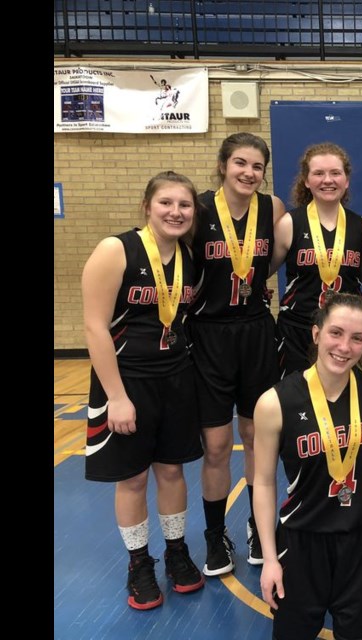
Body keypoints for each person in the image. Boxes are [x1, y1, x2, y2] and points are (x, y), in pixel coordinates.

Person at [82, 171, 205, 610]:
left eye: (184, 205)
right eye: (166, 203)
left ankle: (176, 552)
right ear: (147, 206)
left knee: (172, 472)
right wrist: (115, 396)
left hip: (175, 376)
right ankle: (138, 562)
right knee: (133, 478)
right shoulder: (117, 249)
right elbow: (95, 327)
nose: (176, 212)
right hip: (125, 379)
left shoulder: (189, 257)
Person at [253, 293, 362, 640]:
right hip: (302, 544)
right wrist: (269, 559)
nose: (345, 346)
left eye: (357, 338)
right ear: (316, 334)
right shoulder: (274, 402)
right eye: (336, 333)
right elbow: (264, 483)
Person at [189, 132, 286, 575]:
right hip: (209, 334)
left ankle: (256, 524)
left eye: (257, 167)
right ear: (223, 165)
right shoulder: (199, 210)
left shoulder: (273, 209)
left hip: (255, 332)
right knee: (216, 444)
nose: (249, 173)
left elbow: (274, 261)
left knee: (256, 437)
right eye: (240, 163)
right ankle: (214, 536)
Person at [273, 142, 362, 379]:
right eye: (319, 173)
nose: (327, 180)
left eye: (335, 173)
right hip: (298, 332)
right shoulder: (289, 224)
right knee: (297, 403)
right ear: (306, 180)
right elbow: (261, 270)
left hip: (346, 334)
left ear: (346, 180)